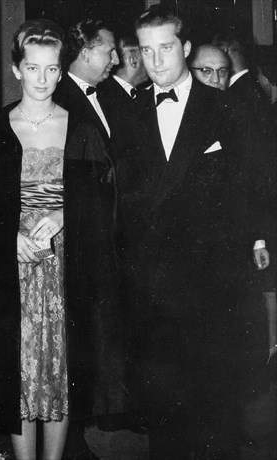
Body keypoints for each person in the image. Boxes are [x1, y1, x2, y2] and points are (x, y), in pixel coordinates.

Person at [0, 18, 117, 460]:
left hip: (66, 268)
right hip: (11, 272)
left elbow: (106, 200)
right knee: (18, 372)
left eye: (52, 69)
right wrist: (7, 238)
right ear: (17, 70)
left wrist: (65, 214)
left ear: (61, 71)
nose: (43, 79)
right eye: (33, 68)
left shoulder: (80, 130)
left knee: (58, 370)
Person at [113, 5, 271, 458]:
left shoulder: (225, 107)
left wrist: (257, 241)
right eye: (146, 51)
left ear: (184, 47)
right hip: (152, 284)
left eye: (165, 48)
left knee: (216, 409)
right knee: (163, 411)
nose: (156, 61)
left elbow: (250, 185)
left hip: (212, 282)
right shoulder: (124, 113)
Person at [54, 18, 119, 146]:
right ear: (85, 54)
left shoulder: (112, 96)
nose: (116, 60)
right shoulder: (58, 104)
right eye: (110, 52)